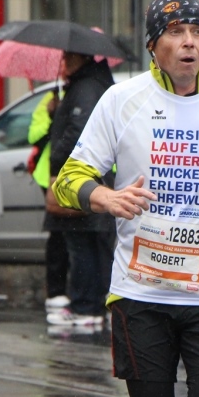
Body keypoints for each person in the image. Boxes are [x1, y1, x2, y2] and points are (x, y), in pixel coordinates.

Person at [52, 0, 199, 397]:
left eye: (197, 31)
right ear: (153, 45)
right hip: (140, 294)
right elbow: (68, 180)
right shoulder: (122, 100)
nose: (189, 41)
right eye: (175, 31)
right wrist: (106, 197)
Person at [44, 53, 116, 327]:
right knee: (90, 244)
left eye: (66, 57)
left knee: (82, 243)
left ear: (78, 58)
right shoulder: (88, 85)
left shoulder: (85, 88)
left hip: (81, 178)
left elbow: (78, 132)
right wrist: (56, 112)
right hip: (92, 178)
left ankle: (85, 307)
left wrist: (56, 161)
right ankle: (93, 306)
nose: (62, 63)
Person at [28, 81, 71, 313]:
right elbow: (33, 136)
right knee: (58, 234)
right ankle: (56, 290)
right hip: (50, 177)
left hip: (76, 174)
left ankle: (71, 288)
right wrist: (53, 116)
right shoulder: (48, 100)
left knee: (77, 237)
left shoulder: (87, 95)